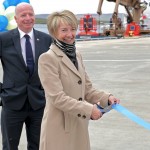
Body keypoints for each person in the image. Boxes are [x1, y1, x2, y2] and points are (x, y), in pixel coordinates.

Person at [38, 10, 120, 150]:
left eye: (73, 29)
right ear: (53, 32)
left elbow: (87, 89)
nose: (70, 35)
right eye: (64, 30)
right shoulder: (47, 59)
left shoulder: (77, 55)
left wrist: (107, 97)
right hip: (59, 128)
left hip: (79, 125)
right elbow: (57, 98)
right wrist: (89, 110)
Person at [0, 2, 52, 150]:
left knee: (38, 145)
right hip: (12, 102)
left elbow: (54, 69)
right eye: (23, 15)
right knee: (9, 146)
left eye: (31, 14)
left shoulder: (46, 39)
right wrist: (2, 91)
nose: (28, 18)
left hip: (38, 102)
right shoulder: (3, 39)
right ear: (15, 19)